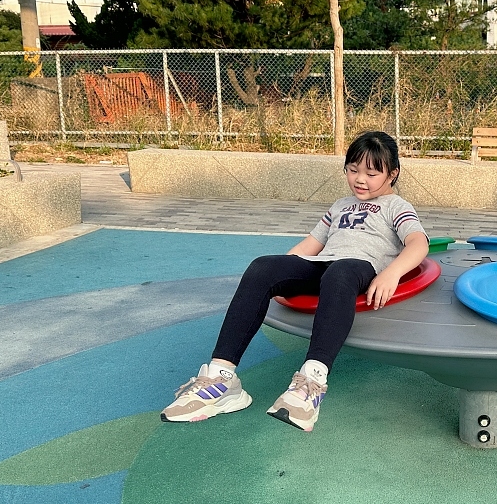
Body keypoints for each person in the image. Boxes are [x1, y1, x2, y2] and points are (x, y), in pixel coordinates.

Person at [161, 131, 428, 431]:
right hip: (323, 266)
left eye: (371, 172)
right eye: (353, 170)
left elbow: (418, 243)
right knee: (262, 266)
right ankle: (222, 380)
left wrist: (391, 273)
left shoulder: (396, 206)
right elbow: (308, 247)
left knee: (339, 272)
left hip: (358, 269)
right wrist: (280, 275)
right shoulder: (340, 205)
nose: (360, 179)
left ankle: (310, 384)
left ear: (392, 174)